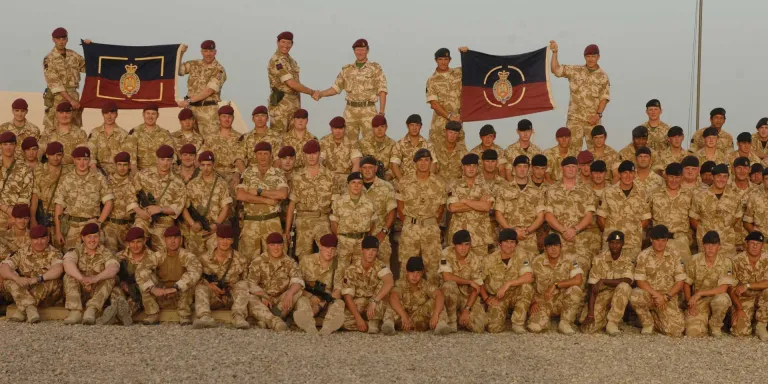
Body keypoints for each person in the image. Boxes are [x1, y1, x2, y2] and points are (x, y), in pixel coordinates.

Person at [313, 38, 388, 141]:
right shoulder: (347, 70)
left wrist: (381, 112)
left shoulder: (375, 68)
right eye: (357, 49)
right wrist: (321, 93)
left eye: (362, 49)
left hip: (368, 110)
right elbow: (336, 88)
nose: (360, 52)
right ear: (354, 51)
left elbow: (382, 90)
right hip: (350, 111)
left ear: (367, 50)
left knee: (371, 141)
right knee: (348, 142)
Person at [130, 226, 203, 326]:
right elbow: (141, 269)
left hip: (180, 295)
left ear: (181, 240)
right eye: (169, 238)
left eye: (175, 238)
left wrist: (176, 287)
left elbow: (196, 270)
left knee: (189, 280)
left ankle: (184, 315)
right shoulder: (159, 255)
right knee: (145, 278)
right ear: (164, 240)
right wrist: (152, 288)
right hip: (162, 294)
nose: (172, 241)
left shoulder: (187, 255)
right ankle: (153, 313)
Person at [549, 41, 610, 151]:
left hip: (592, 120)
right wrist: (555, 52)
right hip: (575, 120)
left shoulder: (603, 76)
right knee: (572, 152)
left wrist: (598, 115)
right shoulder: (575, 71)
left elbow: (604, 98)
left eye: (593, 56)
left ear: (598, 57)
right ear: (584, 57)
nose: (590, 59)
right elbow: (555, 70)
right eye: (588, 56)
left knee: (595, 152)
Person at [396, 149, 447, 280]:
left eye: (426, 160)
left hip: (430, 228)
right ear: (415, 162)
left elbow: (441, 208)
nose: (423, 163)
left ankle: (433, 298)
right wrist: (408, 222)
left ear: (431, 162)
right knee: (406, 265)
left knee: (433, 266)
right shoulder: (405, 182)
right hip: (410, 228)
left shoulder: (439, 183)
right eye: (420, 160)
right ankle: (403, 297)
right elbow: (400, 206)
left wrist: (431, 223)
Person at [629, 225, 687, 337]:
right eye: (657, 240)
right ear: (651, 239)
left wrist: (665, 297)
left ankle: (655, 317)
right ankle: (647, 323)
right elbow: (640, 281)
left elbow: (680, 282)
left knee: (676, 331)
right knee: (635, 295)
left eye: (663, 240)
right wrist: (656, 295)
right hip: (650, 294)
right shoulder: (643, 255)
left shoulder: (675, 255)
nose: (660, 243)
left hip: (668, 297)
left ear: (667, 241)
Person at [236, 142, 289, 261]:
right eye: (260, 154)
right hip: (251, 222)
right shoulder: (248, 173)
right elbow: (240, 195)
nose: (263, 156)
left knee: (275, 258)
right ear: (255, 155)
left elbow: (283, 194)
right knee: (247, 259)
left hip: (272, 221)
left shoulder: (278, 173)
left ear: (271, 155)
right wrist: (267, 200)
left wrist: (259, 191)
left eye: (266, 153)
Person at [53, 146, 114, 249]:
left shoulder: (99, 178)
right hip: (72, 228)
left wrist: (99, 223)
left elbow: (109, 202)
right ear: (74, 160)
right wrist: (58, 232)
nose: (82, 163)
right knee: (71, 258)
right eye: (79, 159)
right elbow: (59, 206)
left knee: (94, 259)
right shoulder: (67, 179)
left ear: (89, 160)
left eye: (85, 159)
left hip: (92, 228)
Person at [0, 225, 63, 323]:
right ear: (30, 239)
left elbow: (58, 269)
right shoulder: (21, 253)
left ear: (48, 238)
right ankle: (30, 308)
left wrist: (39, 278)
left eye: (43, 238)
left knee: (53, 282)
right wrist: (16, 278)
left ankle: (22, 311)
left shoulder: (55, 253)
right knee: (8, 280)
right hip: (24, 290)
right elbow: (4, 268)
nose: (39, 242)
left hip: (46, 296)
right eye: (36, 239)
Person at [543, 156, 596, 270]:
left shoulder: (586, 190)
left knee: (580, 275)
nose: (571, 169)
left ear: (577, 169)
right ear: (562, 168)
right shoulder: (552, 190)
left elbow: (589, 215)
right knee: (558, 274)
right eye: (568, 167)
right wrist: (564, 230)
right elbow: (548, 215)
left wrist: (575, 230)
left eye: (573, 167)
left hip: (580, 241)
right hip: (557, 242)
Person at [284, 140, 334, 260]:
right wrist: (287, 230)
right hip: (303, 222)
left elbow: (335, 205)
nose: (311, 157)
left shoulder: (330, 176)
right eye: (308, 153)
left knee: (328, 256)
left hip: (323, 221)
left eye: (315, 153)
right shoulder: (297, 177)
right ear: (303, 155)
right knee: (303, 259)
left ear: (319, 154)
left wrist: (334, 227)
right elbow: (292, 204)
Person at [62, 223, 119, 325]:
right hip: (79, 292)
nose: (92, 240)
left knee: (111, 278)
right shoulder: (76, 250)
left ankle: (91, 310)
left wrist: (95, 279)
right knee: (69, 275)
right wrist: (82, 278)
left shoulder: (105, 252)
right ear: (83, 237)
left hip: (96, 292)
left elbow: (113, 268)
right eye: (89, 237)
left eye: (95, 236)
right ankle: (75, 312)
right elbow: (67, 264)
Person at [527, 234, 585, 334]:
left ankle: (565, 323)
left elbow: (578, 280)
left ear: (561, 247)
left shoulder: (570, 259)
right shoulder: (537, 261)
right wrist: (533, 302)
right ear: (545, 249)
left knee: (575, 289)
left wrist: (556, 285)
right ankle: (545, 321)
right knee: (535, 328)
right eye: (550, 246)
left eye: (556, 245)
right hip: (543, 301)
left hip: (562, 300)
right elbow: (529, 284)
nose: (553, 249)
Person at [194, 225, 250, 329]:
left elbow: (246, 281)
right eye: (222, 238)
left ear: (232, 240)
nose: (225, 242)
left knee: (243, 284)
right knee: (200, 288)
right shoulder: (204, 258)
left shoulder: (241, 259)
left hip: (231, 298)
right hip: (213, 298)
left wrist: (233, 286)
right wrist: (208, 285)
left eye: (228, 239)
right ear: (217, 239)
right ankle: (205, 317)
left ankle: (238, 317)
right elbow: (196, 278)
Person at [133, 145, 186, 252]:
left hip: (164, 223)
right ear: (157, 159)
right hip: (144, 218)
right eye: (162, 159)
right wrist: (140, 212)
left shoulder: (178, 182)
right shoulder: (143, 175)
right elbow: (130, 194)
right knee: (135, 240)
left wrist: (160, 209)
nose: (165, 163)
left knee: (164, 253)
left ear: (172, 161)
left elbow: (178, 207)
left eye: (168, 160)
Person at [479, 229, 534, 334]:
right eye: (506, 242)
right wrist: (486, 299)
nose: (509, 245)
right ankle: (501, 316)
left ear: (516, 244)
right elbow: (479, 282)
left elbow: (529, 277)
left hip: (514, 294)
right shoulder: (489, 260)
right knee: (493, 328)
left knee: (527, 287)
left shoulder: (521, 256)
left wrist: (508, 284)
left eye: (512, 242)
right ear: (500, 244)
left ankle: (518, 323)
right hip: (497, 297)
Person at [579, 231, 633, 335]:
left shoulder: (627, 259)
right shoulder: (599, 259)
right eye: (612, 242)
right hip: (602, 295)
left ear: (623, 244)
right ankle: (605, 318)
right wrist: (590, 314)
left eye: (618, 243)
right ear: (608, 243)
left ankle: (612, 323)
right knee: (587, 329)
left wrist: (604, 280)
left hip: (619, 295)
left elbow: (628, 280)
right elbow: (592, 288)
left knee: (624, 287)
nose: (615, 245)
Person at [247, 232, 304, 331]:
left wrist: (290, 293)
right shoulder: (258, 261)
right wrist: (263, 295)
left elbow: (298, 280)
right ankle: (275, 322)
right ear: (267, 246)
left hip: (280, 300)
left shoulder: (289, 262)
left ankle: (266, 320)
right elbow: (251, 283)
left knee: (297, 291)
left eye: (279, 245)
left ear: (283, 245)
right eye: (272, 245)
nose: (276, 248)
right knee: (251, 298)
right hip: (263, 298)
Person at [684, 231, 736, 337]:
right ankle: (703, 322)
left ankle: (715, 326)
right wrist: (690, 303)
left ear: (719, 246)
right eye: (707, 244)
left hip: (716, 298)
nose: (710, 248)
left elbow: (723, 288)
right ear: (703, 246)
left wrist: (701, 293)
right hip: (699, 302)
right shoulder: (693, 260)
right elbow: (686, 284)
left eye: (714, 245)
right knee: (692, 333)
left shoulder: (726, 262)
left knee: (722, 299)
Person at [382, 256, 451, 335]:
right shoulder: (400, 283)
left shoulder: (425, 284)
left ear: (422, 273)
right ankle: (389, 324)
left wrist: (435, 314)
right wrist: (404, 315)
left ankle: (441, 324)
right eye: (412, 272)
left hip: (419, 319)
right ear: (407, 271)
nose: (415, 276)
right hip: (402, 319)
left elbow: (439, 295)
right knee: (392, 302)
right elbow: (393, 298)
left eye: (418, 272)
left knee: (436, 300)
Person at [339, 235, 395, 333]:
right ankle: (370, 323)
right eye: (368, 249)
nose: (370, 253)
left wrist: (374, 301)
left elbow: (389, 282)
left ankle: (374, 322)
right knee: (342, 320)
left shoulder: (379, 265)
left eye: (374, 250)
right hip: (360, 303)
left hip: (376, 303)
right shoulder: (351, 269)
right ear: (362, 250)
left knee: (384, 285)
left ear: (377, 252)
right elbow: (348, 297)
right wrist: (358, 318)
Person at [596, 160, 651, 260]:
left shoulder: (642, 194)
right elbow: (600, 218)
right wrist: (612, 234)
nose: (628, 176)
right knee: (609, 273)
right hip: (611, 244)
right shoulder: (608, 193)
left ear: (634, 174)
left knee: (630, 274)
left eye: (631, 172)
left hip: (632, 245)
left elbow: (645, 219)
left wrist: (633, 233)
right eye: (625, 172)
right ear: (620, 174)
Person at [182, 151, 232, 257]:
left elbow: (226, 207)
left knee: (214, 259)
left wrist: (216, 225)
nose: (206, 168)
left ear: (213, 164)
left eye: (209, 165)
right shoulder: (192, 184)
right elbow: (184, 207)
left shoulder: (221, 184)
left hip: (214, 231)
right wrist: (192, 223)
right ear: (199, 165)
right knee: (195, 260)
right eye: (203, 165)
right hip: (196, 231)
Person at [294, 234, 346, 335]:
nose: (329, 252)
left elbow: (338, 291)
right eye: (326, 248)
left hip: (327, 302)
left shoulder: (340, 265)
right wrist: (311, 296)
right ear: (320, 246)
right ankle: (310, 327)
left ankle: (326, 328)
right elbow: (298, 284)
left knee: (339, 303)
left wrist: (321, 305)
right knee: (302, 301)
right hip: (309, 299)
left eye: (333, 249)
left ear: (336, 250)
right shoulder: (306, 261)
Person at [438, 230, 488, 333]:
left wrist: (466, 309)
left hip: (467, 297)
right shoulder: (446, 254)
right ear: (453, 245)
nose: (463, 248)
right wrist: (469, 282)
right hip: (450, 296)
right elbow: (447, 277)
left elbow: (476, 288)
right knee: (449, 285)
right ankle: (451, 321)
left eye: (466, 244)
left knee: (479, 327)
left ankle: (460, 316)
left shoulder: (474, 259)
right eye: (460, 245)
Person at [690, 164, 743, 258]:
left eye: (725, 176)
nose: (721, 179)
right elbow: (693, 217)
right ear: (713, 177)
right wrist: (703, 230)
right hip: (706, 244)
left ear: (728, 178)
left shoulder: (735, 197)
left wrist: (725, 228)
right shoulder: (700, 196)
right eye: (718, 176)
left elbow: (738, 215)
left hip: (727, 244)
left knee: (727, 270)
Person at [176, 40, 227, 138]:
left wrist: (189, 101)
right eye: (205, 51)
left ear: (215, 52)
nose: (208, 54)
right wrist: (181, 53)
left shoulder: (219, 69)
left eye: (211, 51)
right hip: (191, 110)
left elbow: (208, 91)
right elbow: (179, 71)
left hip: (208, 113)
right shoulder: (194, 64)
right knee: (191, 141)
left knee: (210, 142)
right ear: (201, 52)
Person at [266, 32, 316, 133]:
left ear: (292, 44)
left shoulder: (292, 61)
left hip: (294, 105)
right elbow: (291, 83)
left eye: (288, 43)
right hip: (281, 107)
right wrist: (312, 92)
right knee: (278, 139)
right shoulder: (276, 61)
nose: (285, 45)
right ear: (277, 42)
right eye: (283, 42)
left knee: (293, 138)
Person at [495, 155, 545, 256]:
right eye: (519, 166)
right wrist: (513, 232)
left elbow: (541, 217)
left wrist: (526, 231)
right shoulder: (504, 189)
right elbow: (498, 214)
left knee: (528, 270)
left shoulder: (537, 192)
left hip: (529, 240)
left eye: (525, 166)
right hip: (507, 239)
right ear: (514, 169)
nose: (522, 169)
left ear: (529, 169)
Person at [447, 153, 494, 256]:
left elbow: (486, 207)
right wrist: (478, 203)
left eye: (474, 166)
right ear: (463, 167)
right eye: (468, 166)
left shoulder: (485, 186)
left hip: (480, 237)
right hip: (458, 237)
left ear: (477, 168)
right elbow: (453, 207)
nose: (471, 168)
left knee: (480, 269)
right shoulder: (454, 185)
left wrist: (465, 201)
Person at [649, 163, 694, 265]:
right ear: (665, 176)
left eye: (677, 177)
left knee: (685, 272)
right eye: (671, 177)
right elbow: (647, 216)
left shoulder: (689, 195)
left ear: (682, 177)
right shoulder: (654, 194)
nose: (674, 180)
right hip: (659, 241)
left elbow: (694, 218)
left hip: (681, 241)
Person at [42, 27, 86, 130]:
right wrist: (70, 100)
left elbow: (89, 68)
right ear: (53, 39)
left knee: (74, 130)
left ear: (67, 39)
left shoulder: (74, 55)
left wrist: (90, 49)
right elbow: (55, 84)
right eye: (58, 39)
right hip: (57, 99)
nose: (61, 42)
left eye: (63, 38)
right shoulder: (49, 59)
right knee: (53, 130)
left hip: (74, 98)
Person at [112, 227, 157, 325]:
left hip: (141, 291)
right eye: (132, 242)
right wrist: (123, 284)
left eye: (138, 242)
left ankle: (120, 315)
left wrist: (133, 288)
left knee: (135, 298)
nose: (135, 246)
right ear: (128, 243)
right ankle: (115, 312)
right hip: (124, 287)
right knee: (115, 292)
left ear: (144, 241)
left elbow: (154, 279)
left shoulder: (152, 257)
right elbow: (114, 274)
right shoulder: (120, 256)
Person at [426, 47, 468, 150]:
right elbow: (434, 104)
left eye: (445, 59)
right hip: (440, 125)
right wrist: (449, 116)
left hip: (457, 122)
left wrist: (466, 54)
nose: (443, 62)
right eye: (440, 59)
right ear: (436, 60)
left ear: (450, 60)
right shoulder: (432, 80)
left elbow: (473, 67)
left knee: (459, 153)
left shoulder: (459, 72)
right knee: (436, 153)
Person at [730, 231, 768, 340]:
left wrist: (747, 285)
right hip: (745, 298)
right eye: (752, 243)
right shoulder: (736, 261)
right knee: (740, 333)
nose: (755, 246)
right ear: (746, 244)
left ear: (762, 246)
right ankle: (751, 321)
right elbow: (731, 288)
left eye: (758, 244)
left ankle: (761, 325)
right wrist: (739, 308)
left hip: (764, 298)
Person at [331, 172, 376, 264]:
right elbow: (334, 223)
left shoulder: (369, 202)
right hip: (343, 242)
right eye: (353, 182)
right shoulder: (339, 202)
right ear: (348, 185)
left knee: (358, 272)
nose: (356, 185)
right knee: (340, 272)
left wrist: (365, 237)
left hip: (361, 243)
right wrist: (339, 238)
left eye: (359, 183)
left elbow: (372, 222)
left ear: (362, 185)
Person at [359, 156, 397, 266]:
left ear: (376, 168)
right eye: (364, 167)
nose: (367, 170)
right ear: (360, 169)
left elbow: (392, 211)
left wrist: (383, 232)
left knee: (383, 268)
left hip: (379, 234)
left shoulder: (386, 187)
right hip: (358, 235)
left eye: (370, 167)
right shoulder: (355, 185)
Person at [201, 105, 246, 191]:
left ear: (233, 118)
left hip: (233, 175)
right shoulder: (210, 138)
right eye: (224, 116)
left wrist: (237, 173)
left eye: (229, 117)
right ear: (219, 118)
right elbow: (204, 159)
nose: (226, 119)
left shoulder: (239, 137)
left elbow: (242, 157)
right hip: (214, 174)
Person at [103, 152, 139, 253]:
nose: (122, 168)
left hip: (128, 226)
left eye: (125, 165)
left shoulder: (135, 181)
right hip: (110, 226)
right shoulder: (106, 181)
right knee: (111, 256)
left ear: (129, 165)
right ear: (115, 165)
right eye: (119, 165)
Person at [30, 142, 69, 232]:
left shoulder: (69, 172)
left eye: (58, 155)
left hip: (62, 217)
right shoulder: (39, 171)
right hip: (43, 215)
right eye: (52, 155)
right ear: (47, 155)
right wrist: (32, 218)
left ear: (63, 155)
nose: (55, 158)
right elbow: (35, 197)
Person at [319, 116, 362, 196]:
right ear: (331, 129)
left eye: (340, 128)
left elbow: (356, 163)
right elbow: (320, 161)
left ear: (345, 129)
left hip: (346, 177)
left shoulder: (352, 142)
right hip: (328, 177)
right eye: (335, 128)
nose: (338, 131)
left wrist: (351, 180)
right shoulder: (324, 141)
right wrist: (324, 178)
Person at [86, 102, 131, 176]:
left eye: (112, 113)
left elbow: (126, 156)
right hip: (98, 170)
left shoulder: (123, 134)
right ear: (102, 114)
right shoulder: (95, 132)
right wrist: (95, 172)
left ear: (116, 115)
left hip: (118, 171)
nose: (109, 116)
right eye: (106, 113)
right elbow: (91, 153)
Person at [389, 114, 437, 183]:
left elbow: (433, 164)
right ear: (407, 126)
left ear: (421, 126)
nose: (414, 128)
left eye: (417, 125)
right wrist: (402, 182)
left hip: (423, 183)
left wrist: (427, 182)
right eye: (412, 125)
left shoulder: (428, 145)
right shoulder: (399, 144)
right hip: (404, 181)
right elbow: (394, 165)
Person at [127, 104, 174, 171]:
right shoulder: (135, 132)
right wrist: (137, 177)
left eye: (153, 114)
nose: (150, 116)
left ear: (158, 115)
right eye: (148, 113)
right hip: (140, 174)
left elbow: (170, 157)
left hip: (160, 174)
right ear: (143, 115)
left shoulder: (165, 133)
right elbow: (131, 161)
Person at [359, 115, 396, 181]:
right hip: (365, 178)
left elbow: (394, 166)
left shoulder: (393, 144)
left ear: (386, 127)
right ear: (372, 128)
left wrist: (386, 177)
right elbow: (358, 163)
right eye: (376, 126)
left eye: (382, 126)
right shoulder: (363, 143)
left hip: (385, 179)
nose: (379, 129)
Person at [744, 168, 768, 234]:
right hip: (761, 242)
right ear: (763, 180)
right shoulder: (754, 197)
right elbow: (747, 222)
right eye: (767, 179)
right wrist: (757, 237)